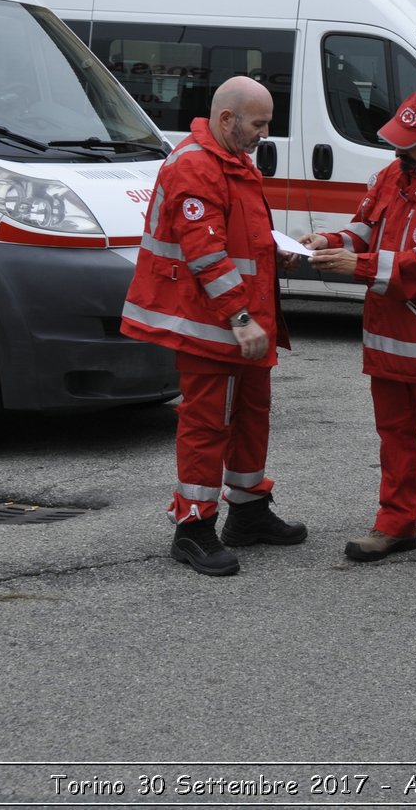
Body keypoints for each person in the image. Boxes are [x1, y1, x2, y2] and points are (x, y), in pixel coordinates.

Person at [121, 76, 306, 576]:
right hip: (214, 323)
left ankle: (247, 512)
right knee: (206, 426)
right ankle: (193, 528)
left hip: (238, 320)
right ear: (228, 120)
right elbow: (207, 254)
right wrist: (241, 318)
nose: (265, 134)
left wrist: (275, 253)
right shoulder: (196, 165)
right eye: (260, 123)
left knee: (251, 416)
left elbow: (240, 239)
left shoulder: (230, 159)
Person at [303, 91, 416, 579]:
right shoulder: (393, 174)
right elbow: (366, 227)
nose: (397, 152)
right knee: (395, 438)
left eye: (409, 144)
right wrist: (330, 241)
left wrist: (355, 264)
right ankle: (397, 524)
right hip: (389, 337)